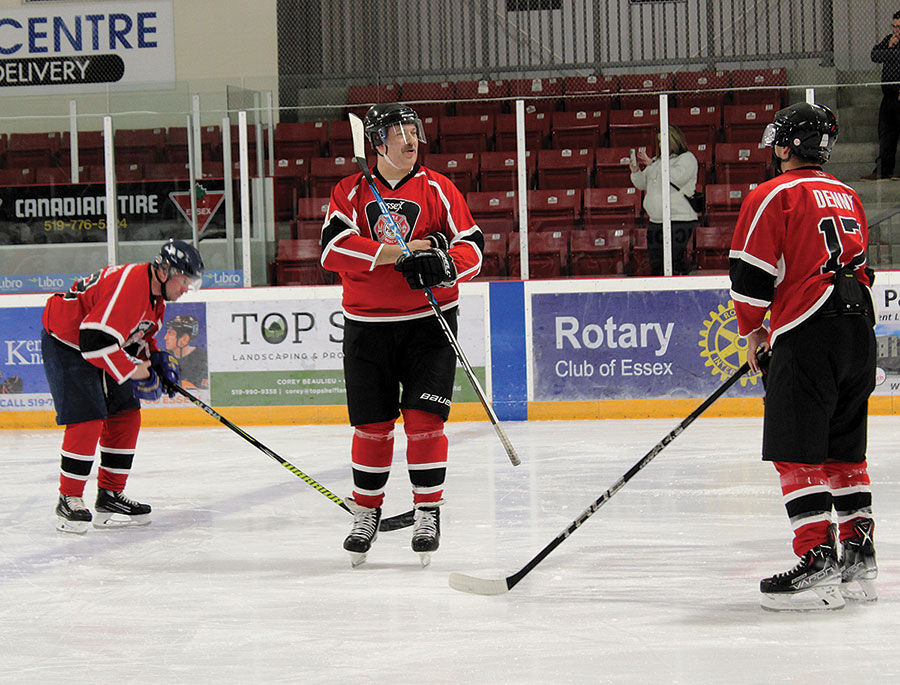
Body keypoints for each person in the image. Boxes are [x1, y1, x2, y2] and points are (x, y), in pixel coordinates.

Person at [320, 102, 484, 567]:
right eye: (399, 133)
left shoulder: (438, 188)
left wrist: (443, 263)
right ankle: (365, 513)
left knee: (424, 422)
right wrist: (402, 251)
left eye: (413, 131)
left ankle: (427, 512)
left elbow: (473, 247)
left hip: (429, 323)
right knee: (372, 427)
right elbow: (333, 251)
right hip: (367, 326)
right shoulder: (349, 190)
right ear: (377, 143)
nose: (411, 140)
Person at [729, 102, 877, 611]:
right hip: (858, 331)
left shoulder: (773, 194)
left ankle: (817, 563)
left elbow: (751, 275)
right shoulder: (848, 195)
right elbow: (862, 268)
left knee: (796, 452)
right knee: (844, 453)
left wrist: (754, 331)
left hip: (808, 333)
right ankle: (858, 558)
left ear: (787, 145)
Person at [42, 239, 204, 534]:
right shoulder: (130, 286)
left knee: (126, 413)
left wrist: (155, 359)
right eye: (184, 281)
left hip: (99, 345)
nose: (185, 289)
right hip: (67, 342)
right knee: (88, 418)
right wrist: (134, 369)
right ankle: (69, 498)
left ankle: (110, 496)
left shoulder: (155, 296)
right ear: (164, 271)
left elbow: (136, 334)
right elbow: (93, 342)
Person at [629, 125, 699, 275]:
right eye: (659, 141)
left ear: (674, 140)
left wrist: (655, 164)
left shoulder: (687, 158)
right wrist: (635, 172)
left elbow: (676, 177)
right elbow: (642, 184)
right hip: (656, 220)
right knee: (656, 263)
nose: (661, 145)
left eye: (664, 141)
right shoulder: (657, 161)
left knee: (673, 262)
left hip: (679, 219)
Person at [863, 11, 900, 180]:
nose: (895, 30)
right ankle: (884, 171)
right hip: (889, 95)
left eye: (898, 27)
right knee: (886, 133)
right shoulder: (889, 40)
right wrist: (890, 48)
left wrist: (889, 53)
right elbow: (875, 55)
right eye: (894, 26)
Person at [164, 314, 208, 388]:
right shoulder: (164, 357)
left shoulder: (202, 359)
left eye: (171, 333)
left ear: (184, 339)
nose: (165, 337)